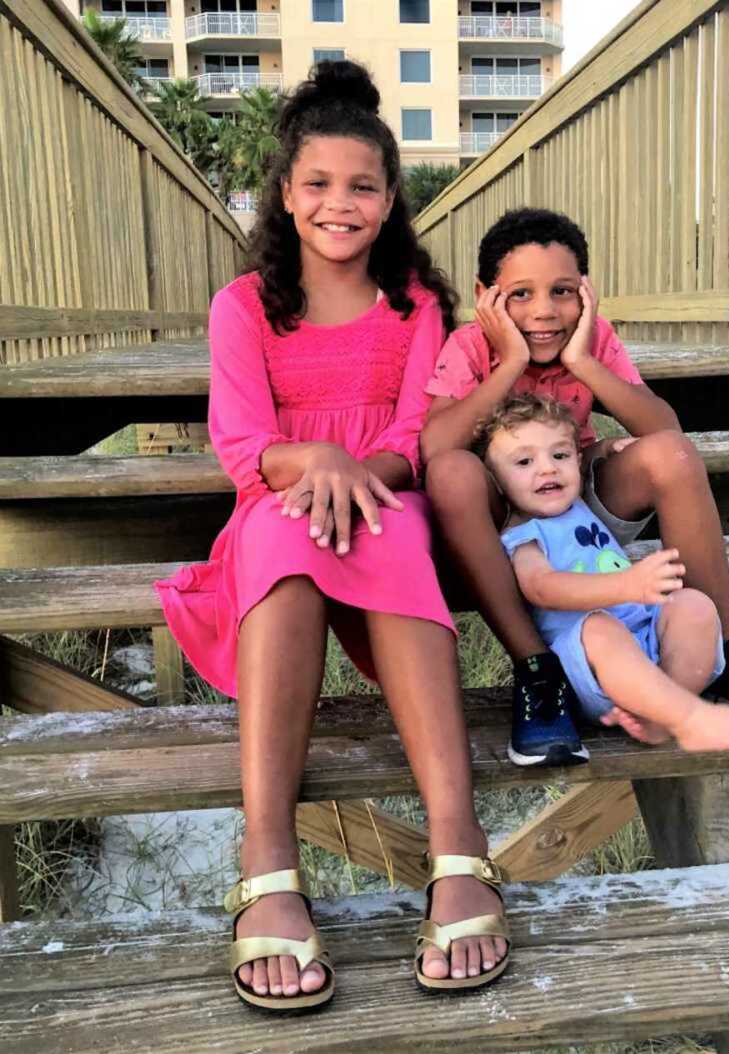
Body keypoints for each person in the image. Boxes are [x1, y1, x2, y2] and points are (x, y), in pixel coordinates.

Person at [155, 61, 509, 1012]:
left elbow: (410, 435)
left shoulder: (415, 308)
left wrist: (364, 477)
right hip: (279, 500)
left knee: (394, 538)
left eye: (361, 187)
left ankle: (457, 843)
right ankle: (267, 849)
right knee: (277, 551)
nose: (339, 204)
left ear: (392, 200)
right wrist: (318, 466)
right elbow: (242, 445)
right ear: (285, 193)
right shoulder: (244, 307)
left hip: (388, 497)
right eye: (317, 184)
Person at [422, 207, 729, 767]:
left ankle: (728, 656)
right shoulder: (470, 347)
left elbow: (665, 431)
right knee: (451, 472)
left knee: (672, 455)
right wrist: (510, 362)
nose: (543, 311)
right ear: (484, 296)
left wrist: (582, 360)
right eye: (520, 294)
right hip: (507, 514)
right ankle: (541, 676)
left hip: (578, 499)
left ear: (585, 292)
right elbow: (436, 448)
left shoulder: (593, 337)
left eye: (562, 291)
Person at [481, 394, 729, 749]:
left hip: (648, 641)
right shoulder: (523, 534)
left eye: (560, 455)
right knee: (599, 628)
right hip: (591, 664)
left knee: (694, 604)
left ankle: (659, 716)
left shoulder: (578, 502)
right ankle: (691, 717)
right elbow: (541, 588)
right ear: (497, 482)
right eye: (524, 462)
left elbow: (589, 461)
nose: (547, 469)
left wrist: (603, 448)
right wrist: (626, 585)